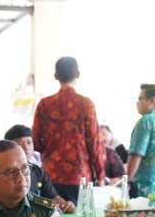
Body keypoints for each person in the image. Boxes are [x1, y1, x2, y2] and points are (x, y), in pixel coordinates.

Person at [32, 56, 106, 203]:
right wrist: (100, 175)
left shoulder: (44, 104)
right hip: (79, 176)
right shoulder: (86, 104)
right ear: (78, 74)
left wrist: (50, 150)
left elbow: (35, 140)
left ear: (55, 76)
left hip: (50, 176)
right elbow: (94, 143)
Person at [2, 125, 75, 213]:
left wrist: (65, 204)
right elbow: (15, 201)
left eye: (29, 143)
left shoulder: (37, 171)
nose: (26, 147)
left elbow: (53, 197)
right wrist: (47, 205)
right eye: (20, 143)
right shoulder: (3, 171)